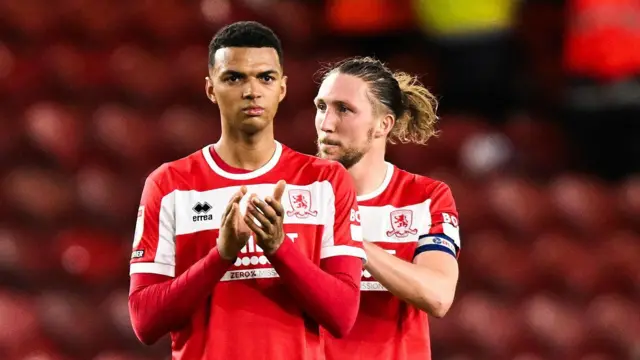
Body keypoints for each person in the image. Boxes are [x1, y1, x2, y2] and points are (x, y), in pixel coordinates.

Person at [127, 21, 366, 360]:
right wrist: (221, 255)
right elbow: (144, 321)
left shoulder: (325, 181)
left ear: (282, 88)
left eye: (265, 77)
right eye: (234, 77)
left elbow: (342, 315)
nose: (251, 90)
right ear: (211, 89)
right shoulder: (169, 184)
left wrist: (278, 247)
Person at [314, 57, 460, 360]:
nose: (326, 123)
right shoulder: (293, 195)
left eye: (344, 109)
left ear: (383, 124)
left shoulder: (425, 196)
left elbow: (438, 296)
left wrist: (350, 243)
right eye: (321, 107)